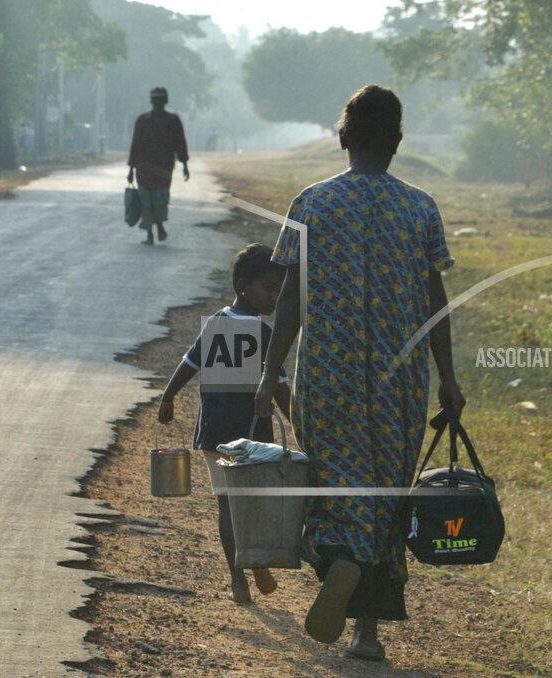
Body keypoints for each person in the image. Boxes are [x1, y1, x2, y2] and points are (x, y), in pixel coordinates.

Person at [253, 84, 465, 662]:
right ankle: (367, 633)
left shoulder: (311, 204)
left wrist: (271, 372)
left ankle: (337, 556)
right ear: (396, 142)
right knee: (388, 495)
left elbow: (290, 299)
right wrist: (448, 376)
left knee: (331, 482)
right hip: (400, 383)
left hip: (327, 375)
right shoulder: (420, 206)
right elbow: (434, 302)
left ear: (343, 137)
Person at [157, 244, 291, 604]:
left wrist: (169, 395)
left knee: (229, 505)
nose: (275, 296)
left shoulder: (217, 322)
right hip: (250, 435)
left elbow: (190, 363)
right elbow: (278, 388)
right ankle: (245, 569)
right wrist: (298, 423)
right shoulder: (265, 335)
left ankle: (240, 574)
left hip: (214, 431)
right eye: (269, 287)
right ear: (243, 285)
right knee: (248, 503)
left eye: (280, 288)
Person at [127, 86, 190, 245]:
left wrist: (185, 164)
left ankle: (157, 229)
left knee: (157, 200)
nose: (157, 103)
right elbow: (136, 145)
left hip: (160, 169)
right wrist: (131, 169)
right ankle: (152, 232)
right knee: (148, 201)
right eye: (156, 100)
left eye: (159, 100)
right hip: (149, 169)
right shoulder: (143, 121)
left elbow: (180, 143)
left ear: (164, 101)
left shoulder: (171, 121)